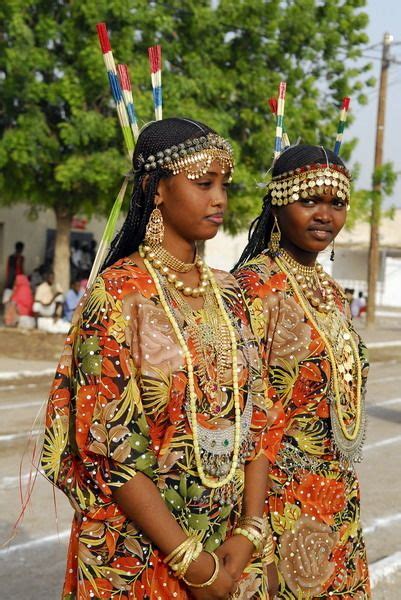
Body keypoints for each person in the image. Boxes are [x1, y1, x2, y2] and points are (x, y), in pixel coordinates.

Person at [40, 118, 278, 599]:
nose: (220, 200)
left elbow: (258, 415)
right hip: (140, 550)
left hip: (229, 546)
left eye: (224, 186)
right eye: (203, 183)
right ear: (157, 191)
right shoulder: (117, 295)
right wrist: (189, 560)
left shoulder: (229, 293)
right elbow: (110, 445)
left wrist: (249, 531)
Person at [234, 145, 370, 598]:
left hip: (336, 497)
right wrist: (257, 536)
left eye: (336, 203)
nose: (324, 216)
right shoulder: (253, 288)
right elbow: (243, 412)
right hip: (274, 500)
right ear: (277, 202)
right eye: (308, 200)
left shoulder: (333, 293)